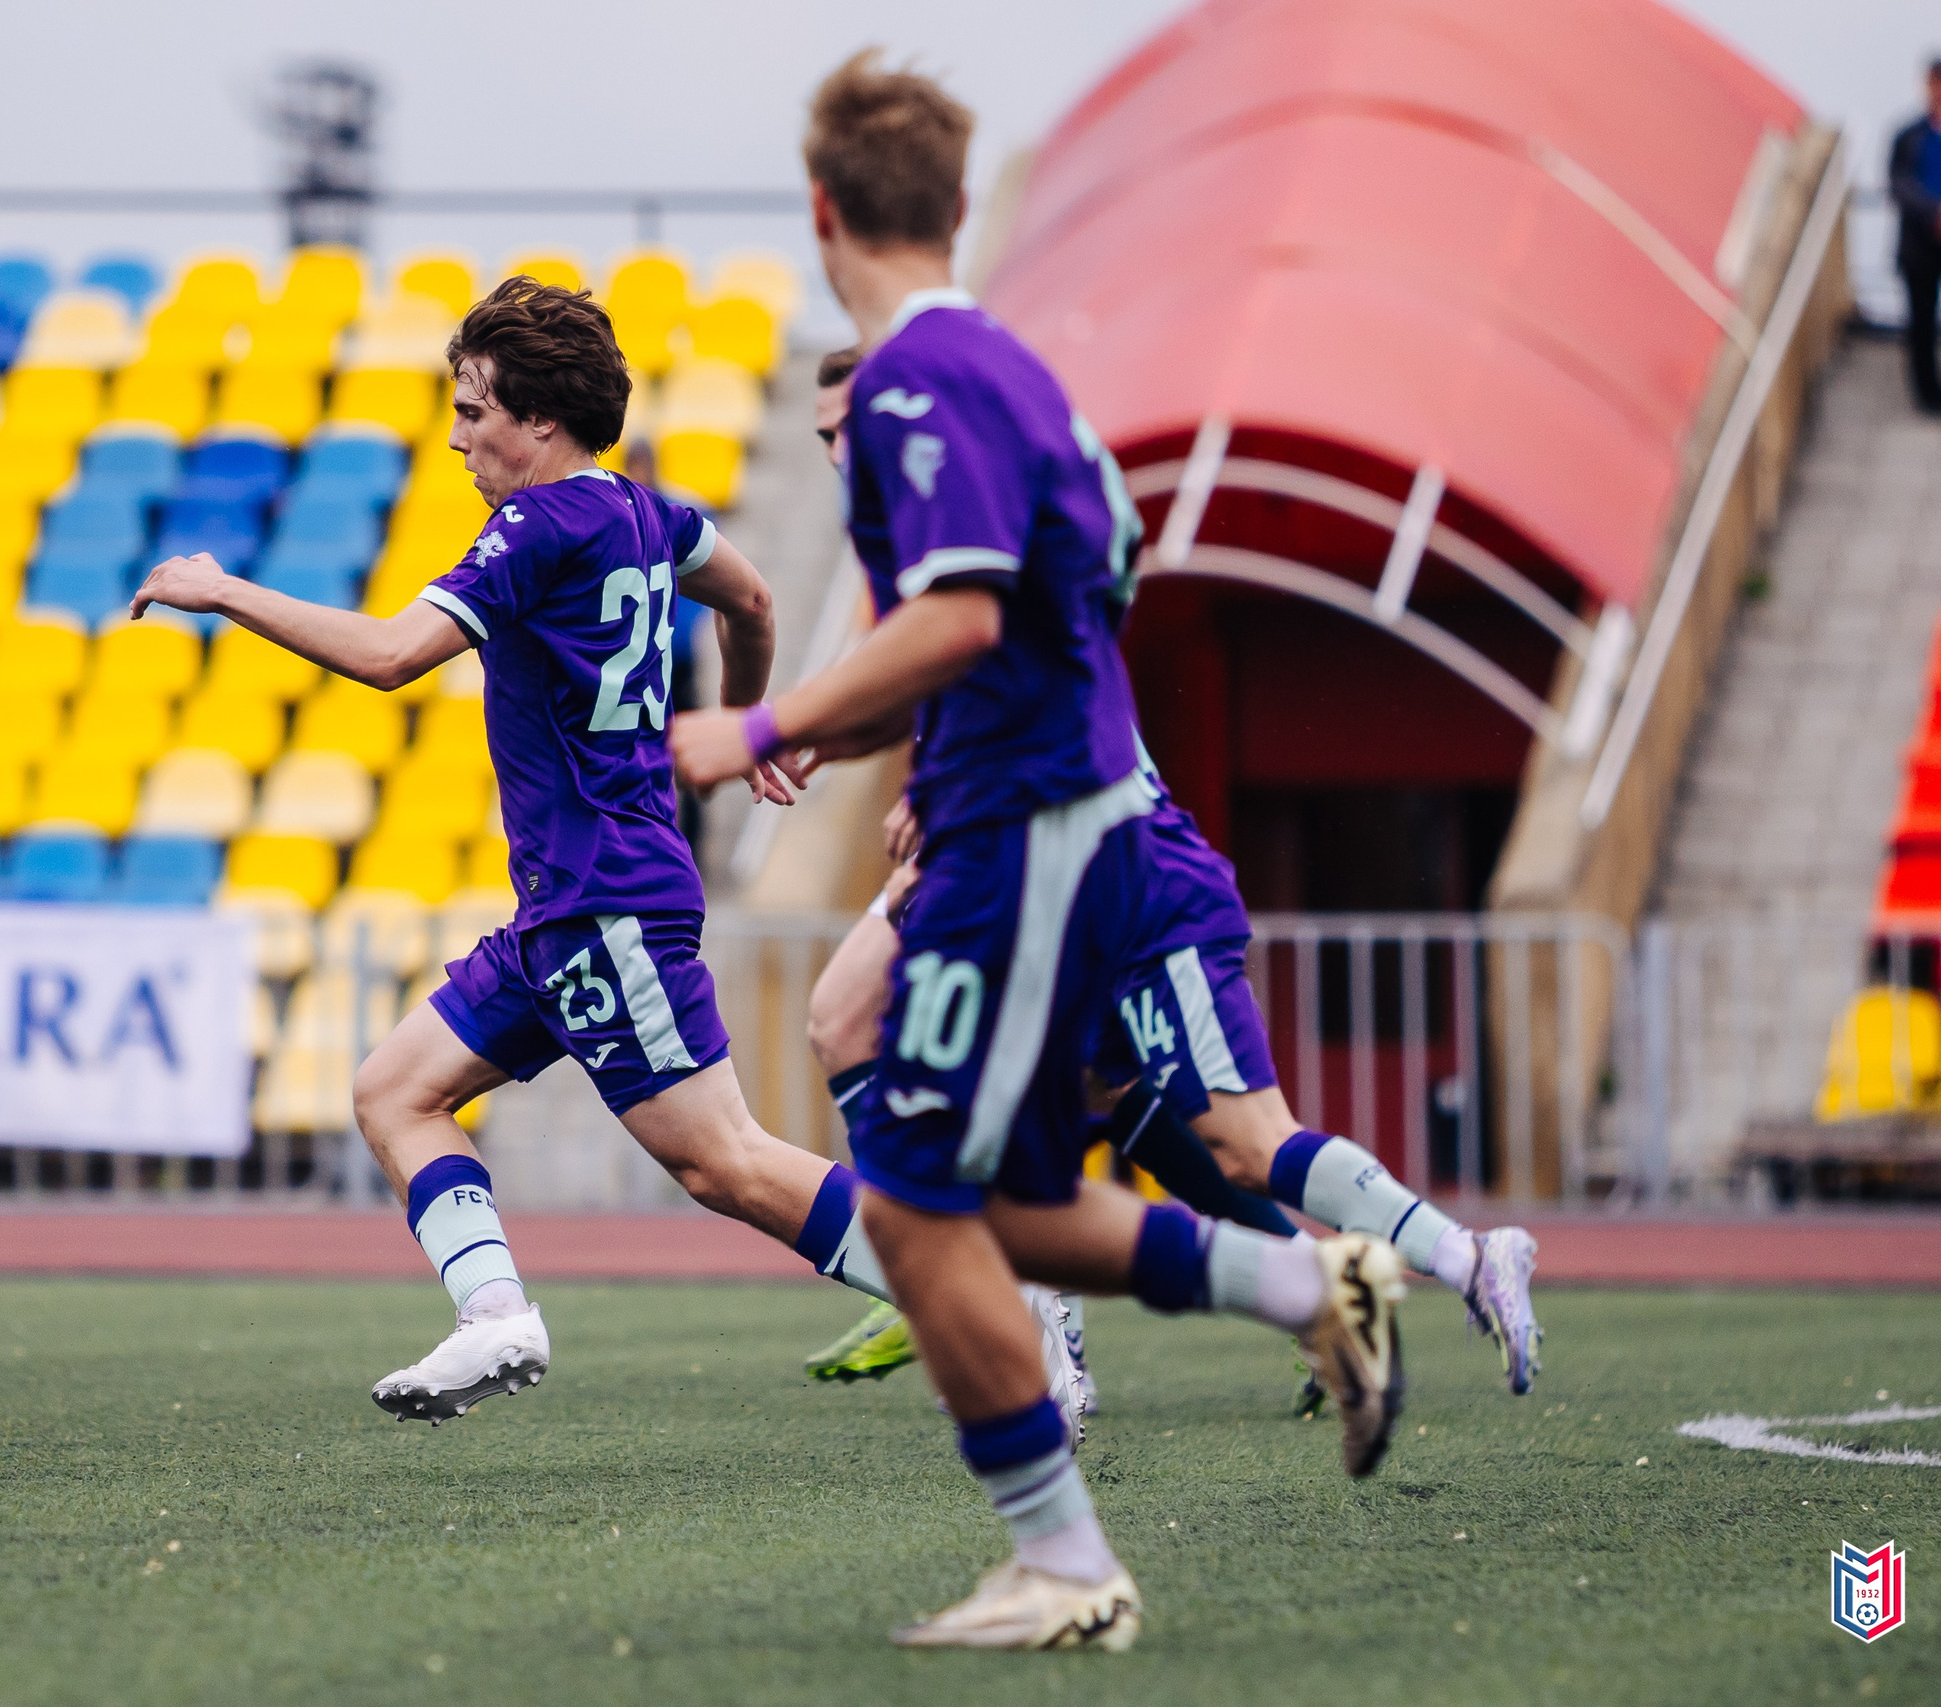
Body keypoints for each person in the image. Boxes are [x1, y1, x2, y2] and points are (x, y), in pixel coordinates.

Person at [674, 54, 1407, 1651]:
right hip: (1056, 811)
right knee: (986, 1200)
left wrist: (754, 723)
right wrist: (876, 735)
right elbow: (1072, 591)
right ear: (953, 202)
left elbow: (962, 613)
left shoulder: (921, 385)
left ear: (821, 214)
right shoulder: (1020, 372)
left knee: (923, 1201)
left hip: (1031, 835)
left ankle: (1068, 1559)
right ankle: (1311, 1290)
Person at [132, 275, 1056, 1427]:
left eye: (474, 411)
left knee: (726, 1163)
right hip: (563, 908)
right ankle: (494, 1317)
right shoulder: (642, 512)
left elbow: (387, 656)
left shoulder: (534, 523)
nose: (459, 434)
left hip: (605, 900)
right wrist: (753, 729)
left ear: (541, 421)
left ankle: (996, 1300)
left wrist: (222, 592)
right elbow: (754, 598)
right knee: (395, 1092)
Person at [794, 348, 1304, 1398]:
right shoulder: (904, 524)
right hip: (1010, 820)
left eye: (851, 425)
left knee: (861, 1027)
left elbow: (1004, 657)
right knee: (1111, 1092)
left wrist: (920, 787)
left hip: (1040, 832)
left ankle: (987, 1293)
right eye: (824, 438)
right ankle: (1298, 1285)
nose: (842, 450)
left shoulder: (960, 508)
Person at [1890, 58, 1941, 415]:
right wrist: (1933, 214)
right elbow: (1898, 183)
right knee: (1920, 323)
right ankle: (1927, 395)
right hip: (1921, 245)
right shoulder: (1909, 135)